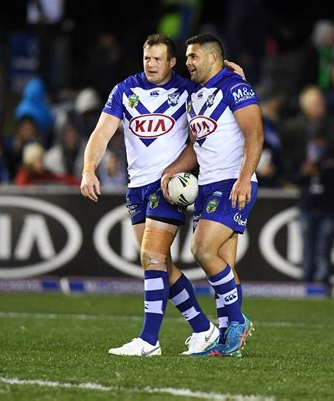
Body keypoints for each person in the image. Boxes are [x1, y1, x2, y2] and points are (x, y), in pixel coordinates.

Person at [80, 34, 244, 357]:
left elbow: (219, 104)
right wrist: (88, 169)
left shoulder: (188, 92)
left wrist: (237, 80)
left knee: (151, 257)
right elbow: (101, 132)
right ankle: (203, 329)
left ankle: (148, 340)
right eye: (146, 58)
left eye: (157, 59)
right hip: (136, 188)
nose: (151, 64)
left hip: (168, 187)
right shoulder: (125, 90)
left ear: (172, 62)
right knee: (160, 266)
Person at [161, 33, 263, 357]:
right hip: (207, 186)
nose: (187, 62)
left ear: (213, 58)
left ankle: (237, 323)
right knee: (225, 266)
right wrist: (171, 170)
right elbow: (195, 147)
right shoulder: (196, 97)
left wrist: (245, 178)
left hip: (232, 181)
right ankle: (227, 343)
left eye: (192, 56)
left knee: (201, 250)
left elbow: (255, 133)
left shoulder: (235, 87)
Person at [297, 131, 334, 285]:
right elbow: (292, 176)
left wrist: (321, 172)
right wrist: (305, 173)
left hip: (328, 207)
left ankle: (322, 279)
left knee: (324, 247)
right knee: (308, 246)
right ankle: (307, 278)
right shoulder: (303, 154)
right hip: (308, 206)